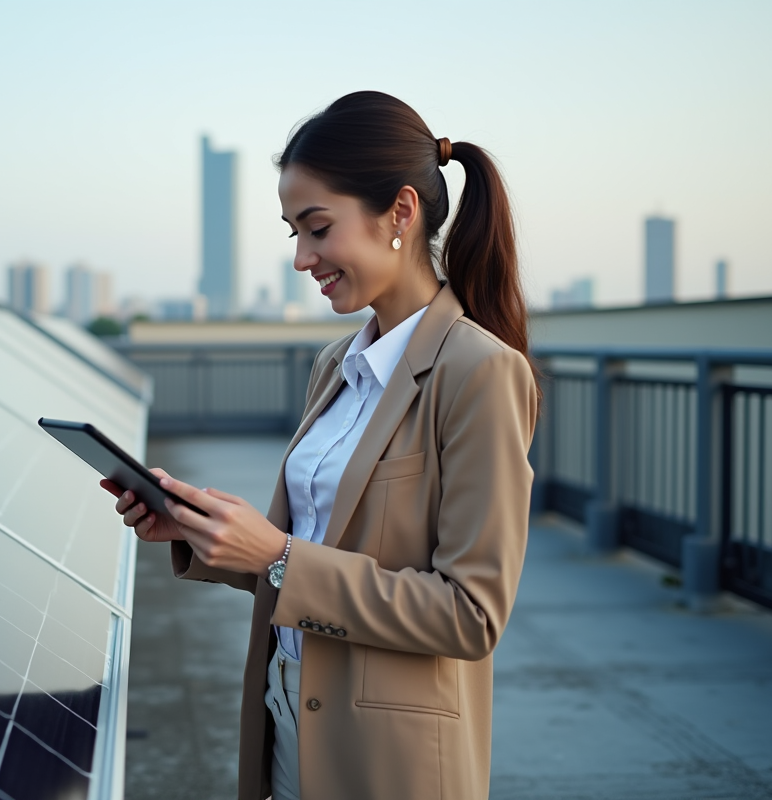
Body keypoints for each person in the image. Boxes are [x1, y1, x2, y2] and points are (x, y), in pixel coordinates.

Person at [101, 90, 539, 800]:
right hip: (286, 725)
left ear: (401, 211)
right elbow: (309, 559)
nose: (303, 258)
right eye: (292, 234)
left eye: (318, 228)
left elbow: (470, 613)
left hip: (388, 764)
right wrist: (205, 533)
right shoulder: (335, 366)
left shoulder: (479, 371)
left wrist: (275, 557)